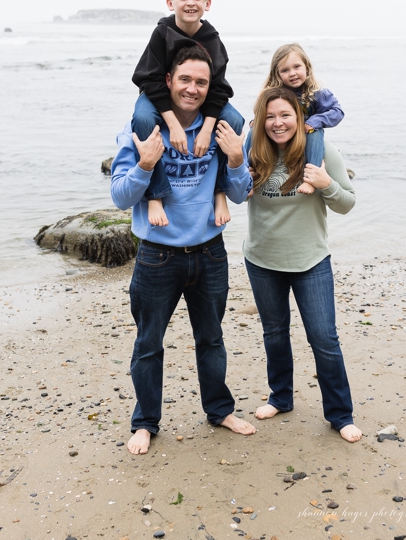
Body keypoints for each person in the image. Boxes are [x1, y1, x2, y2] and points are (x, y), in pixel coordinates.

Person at [110, 45, 256, 455]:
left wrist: (235, 159)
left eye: (201, 83)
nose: (192, 89)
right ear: (169, 82)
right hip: (158, 256)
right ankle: (145, 423)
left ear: (211, 89)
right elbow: (120, 198)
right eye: (185, 80)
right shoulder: (142, 129)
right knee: (148, 343)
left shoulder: (222, 129)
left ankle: (220, 411)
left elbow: (242, 195)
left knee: (211, 339)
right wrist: (144, 166)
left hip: (210, 253)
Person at [241, 87, 361, 442]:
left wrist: (325, 184)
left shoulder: (320, 153)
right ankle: (281, 397)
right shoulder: (254, 152)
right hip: (262, 260)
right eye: (271, 116)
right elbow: (231, 192)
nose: (278, 123)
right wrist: (237, 184)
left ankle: (340, 414)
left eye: (286, 115)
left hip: (311, 261)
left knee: (324, 338)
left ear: (300, 118)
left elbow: (347, 203)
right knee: (274, 333)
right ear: (261, 120)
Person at [130, 0, 246, 228]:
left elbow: (217, 88)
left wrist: (207, 130)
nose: (190, 2)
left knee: (234, 120)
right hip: (159, 96)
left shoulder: (212, 39)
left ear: (208, 3)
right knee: (143, 117)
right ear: (171, 3)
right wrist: (172, 124)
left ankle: (220, 191)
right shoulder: (162, 33)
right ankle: (155, 195)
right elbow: (148, 79)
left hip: (202, 97)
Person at [258, 44, 344, 194]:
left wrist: (315, 121)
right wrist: (258, 121)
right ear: (277, 74)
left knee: (315, 132)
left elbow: (337, 112)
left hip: (306, 134)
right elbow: (265, 113)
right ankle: (247, 172)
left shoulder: (317, 92)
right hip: (283, 134)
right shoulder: (274, 94)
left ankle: (311, 178)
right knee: (254, 130)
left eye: (297, 67)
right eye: (285, 70)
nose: (292, 73)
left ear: (307, 67)